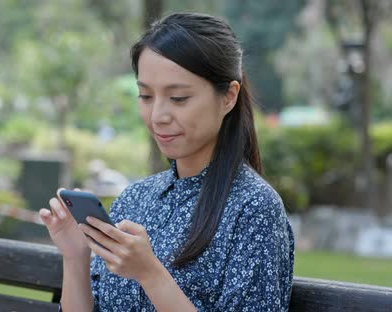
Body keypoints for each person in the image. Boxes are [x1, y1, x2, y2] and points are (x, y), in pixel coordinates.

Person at [39, 12, 294, 311]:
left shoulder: (254, 208)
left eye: (179, 98)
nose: (158, 116)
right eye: (146, 96)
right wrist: (75, 256)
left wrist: (150, 273)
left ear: (228, 97)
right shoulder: (133, 200)